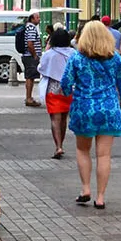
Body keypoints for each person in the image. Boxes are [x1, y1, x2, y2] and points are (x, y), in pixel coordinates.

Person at [60, 20, 121, 209]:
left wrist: (69, 93)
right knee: (104, 155)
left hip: (84, 107)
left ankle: (85, 188)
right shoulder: (114, 58)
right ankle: (101, 197)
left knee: (83, 150)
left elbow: (66, 83)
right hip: (108, 107)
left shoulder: (77, 58)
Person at [38, 27, 75, 160]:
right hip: (68, 89)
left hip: (52, 89)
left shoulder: (49, 54)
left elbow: (41, 68)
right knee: (64, 118)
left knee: (55, 119)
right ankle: (61, 143)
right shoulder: (73, 53)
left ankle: (58, 146)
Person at [20, 12, 43, 107]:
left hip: (28, 55)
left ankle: (28, 97)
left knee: (30, 76)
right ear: (32, 19)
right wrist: (35, 55)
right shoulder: (31, 28)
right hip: (30, 56)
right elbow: (30, 44)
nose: (39, 19)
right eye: (37, 17)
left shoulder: (28, 27)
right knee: (30, 77)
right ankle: (29, 98)